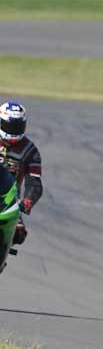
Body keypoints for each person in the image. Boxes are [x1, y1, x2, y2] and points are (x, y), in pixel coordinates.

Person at [0, 102, 43, 246]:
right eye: (9, 126)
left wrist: (28, 200)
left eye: (17, 126)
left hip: (10, 202)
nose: (13, 130)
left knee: (19, 234)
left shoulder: (30, 150)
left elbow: (34, 182)